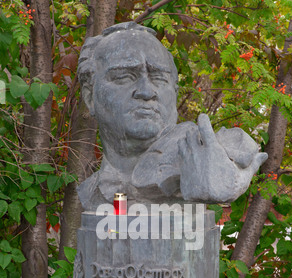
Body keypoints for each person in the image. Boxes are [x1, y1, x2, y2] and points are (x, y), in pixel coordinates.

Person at [77, 21, 267, 210]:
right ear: (90, 97)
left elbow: (233, 152)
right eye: (124, 77)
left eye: (159, 78)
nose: (146, 91)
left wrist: (227, 175)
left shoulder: (203, 153)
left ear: (175, 92)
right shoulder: (89, 191)